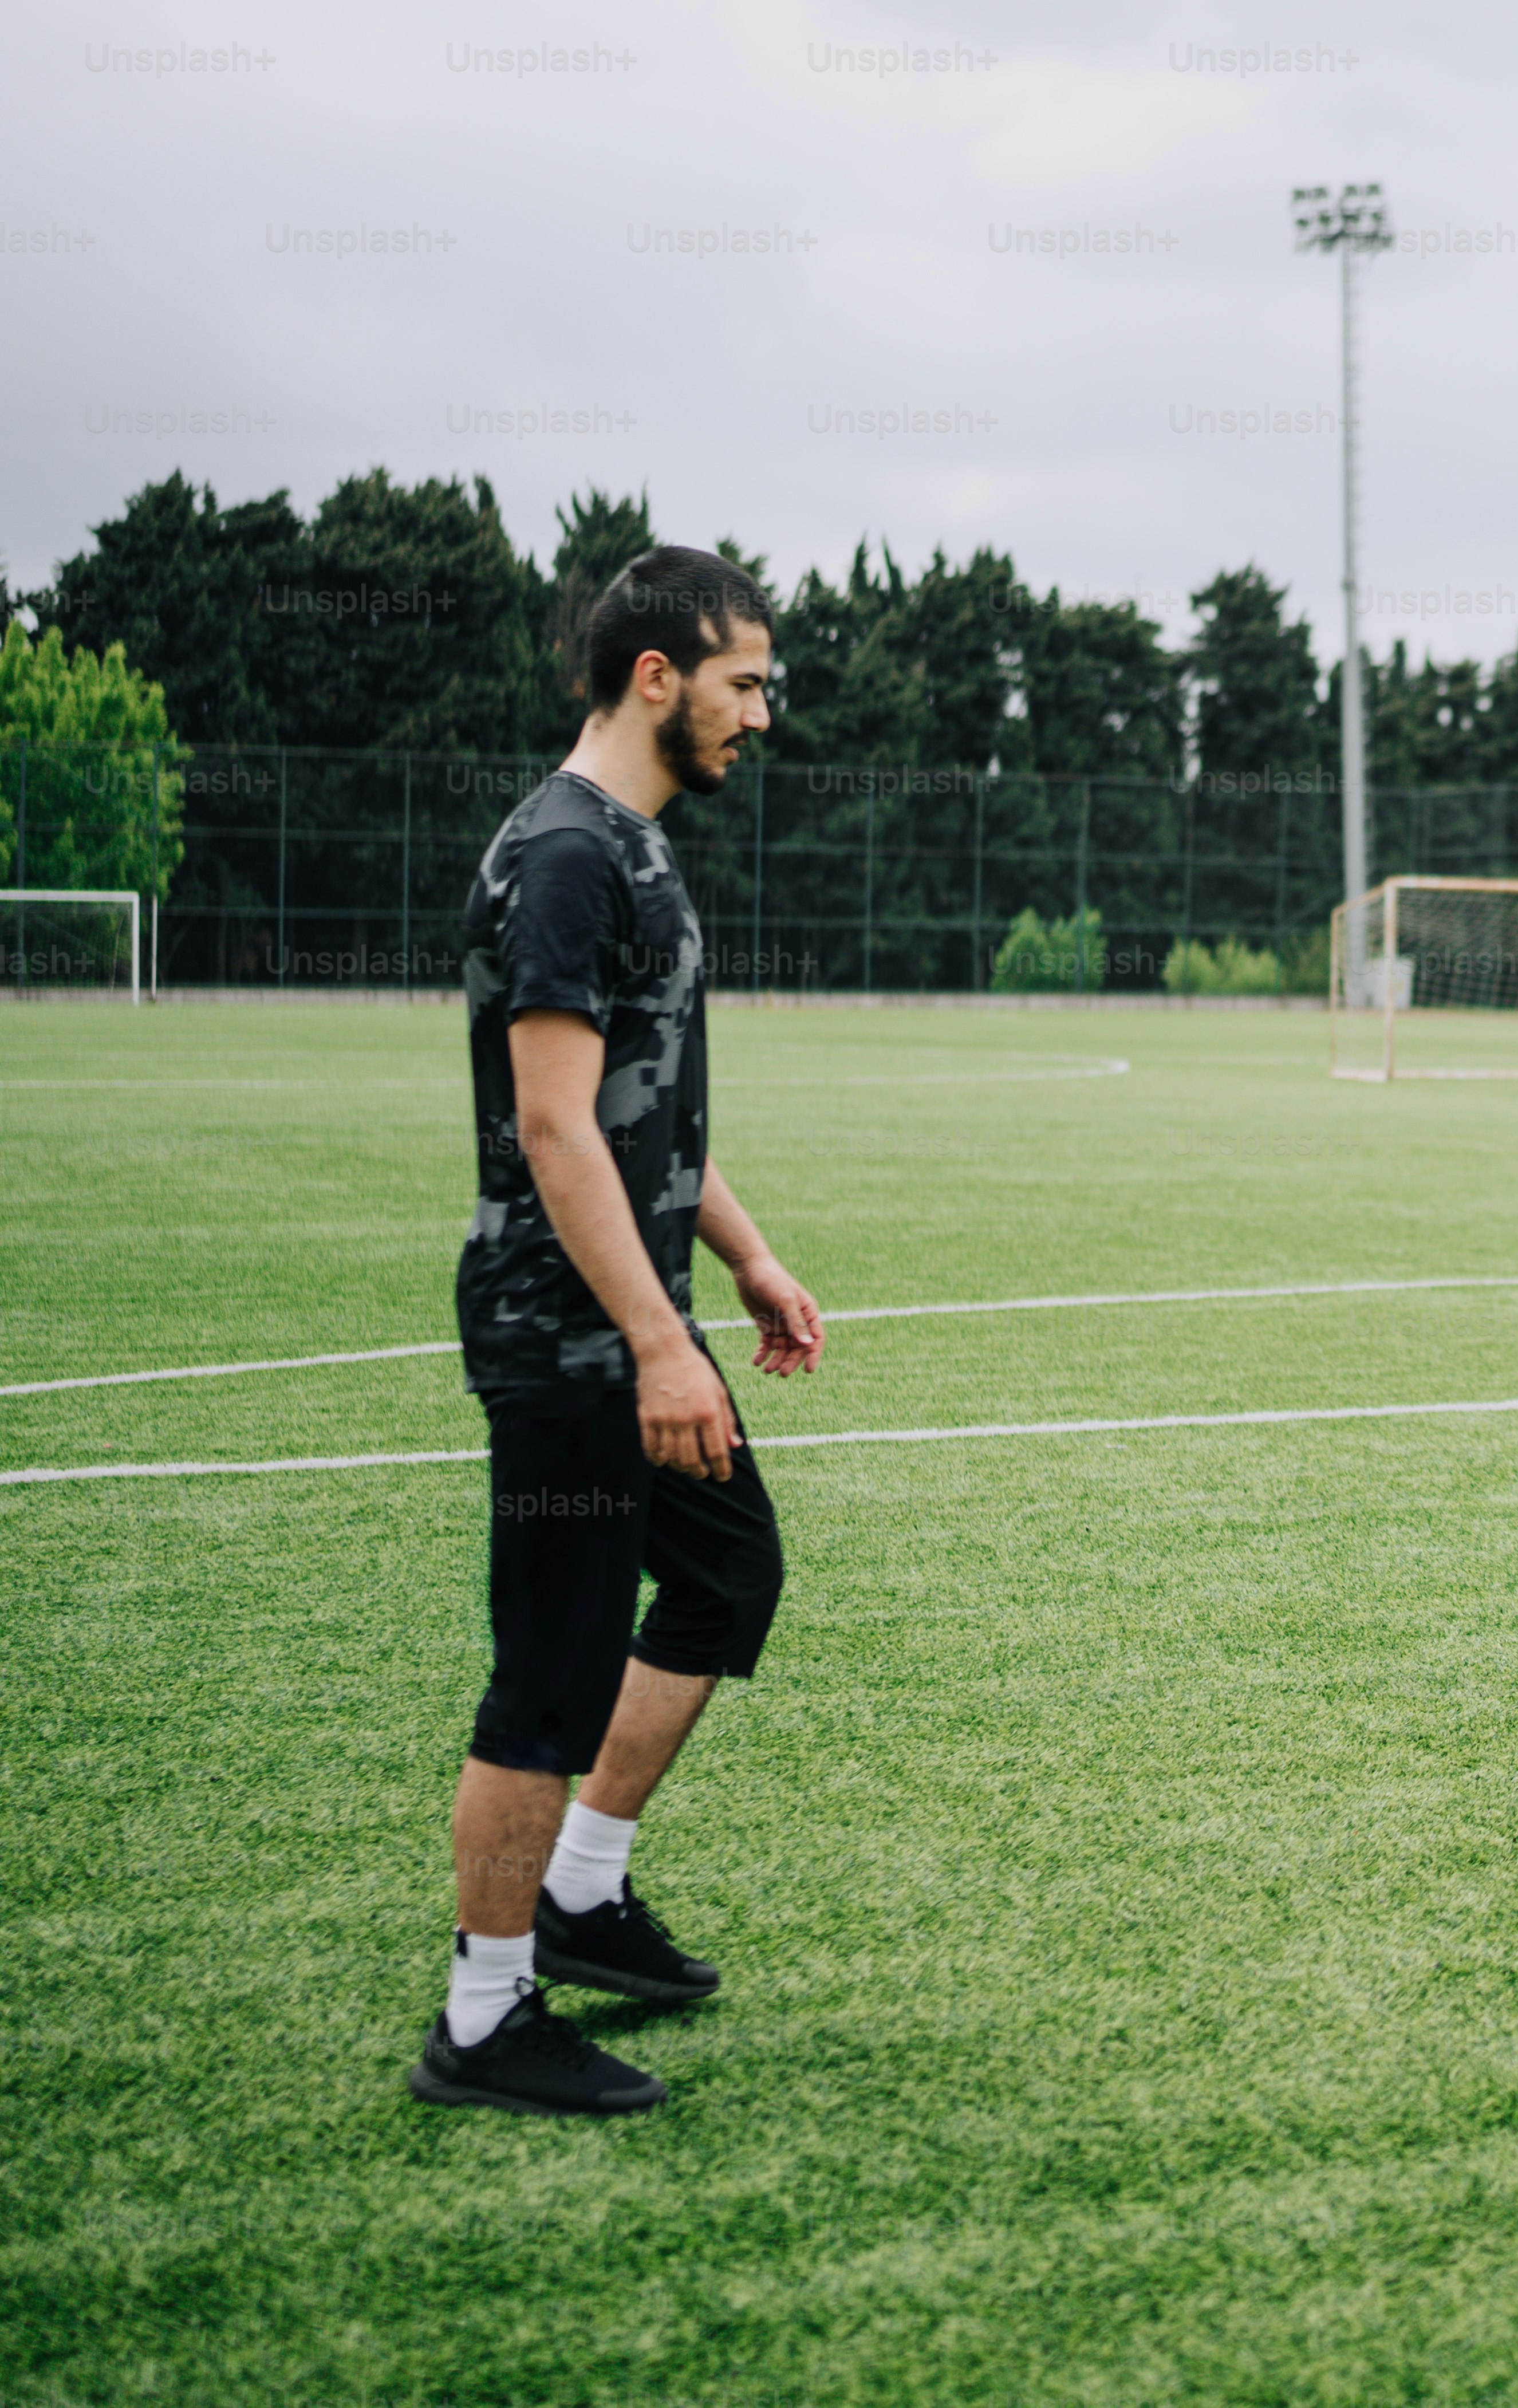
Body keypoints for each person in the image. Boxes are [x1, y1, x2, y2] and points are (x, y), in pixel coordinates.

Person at [410, 546, 825, 2114]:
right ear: (655, 676)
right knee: (554, 1668)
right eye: (744, 684)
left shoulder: (632, 849)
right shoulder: (567, 854)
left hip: (636, 1316)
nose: (758, 716)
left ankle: (581, 1890)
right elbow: (555, 1124)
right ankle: (486, 2011)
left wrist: (751, 1261)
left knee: (726, 1571)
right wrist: (660, 1342)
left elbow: (650, 1117)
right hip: (569, 1335)